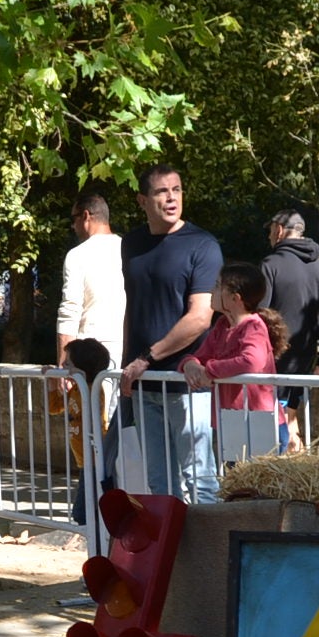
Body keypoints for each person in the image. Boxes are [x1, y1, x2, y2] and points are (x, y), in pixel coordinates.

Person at [117, 164, 223, 502]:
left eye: (176, 189)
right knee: (158, 485)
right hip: (144, 385)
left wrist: (146, 358)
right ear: (143, 200)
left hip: (186, 384)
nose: (172, 197)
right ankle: (174, 555)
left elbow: (201, 317)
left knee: (201, 481)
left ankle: (210, 554)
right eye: (162, 191)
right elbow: (133, 309)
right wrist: (127, 366)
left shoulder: (202, 244)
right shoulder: (131, 244)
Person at [180, 260, 291, 459]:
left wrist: (209, 370)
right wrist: (189, 365)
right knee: (235, 484)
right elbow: (200, 356)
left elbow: (252, 361)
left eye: (217, 286)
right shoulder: (222, 326)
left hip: (259, 420)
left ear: (234, 298)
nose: (211, 291)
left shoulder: (253, 327)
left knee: (261, 487)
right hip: (231, 420)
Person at [259, 209, 319, 376]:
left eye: (271, 230)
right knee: (293, 403)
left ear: (279, 230)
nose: (269, 236)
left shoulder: (270, 265)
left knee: (273, 403)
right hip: (306, 363)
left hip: (272, 362)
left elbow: (259, 316)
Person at [56, 193, 126, 371]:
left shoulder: (78, 255)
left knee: (92, 400)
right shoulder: (129, 249)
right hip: (129, 352)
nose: (73, 226)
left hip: (89, 357)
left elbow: (69, 311)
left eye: (74, 219)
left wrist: (64, 364)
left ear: (85, 216)